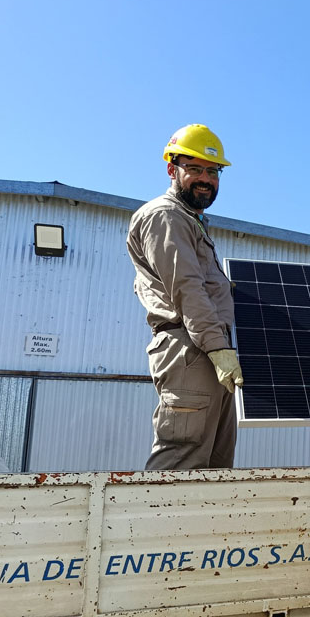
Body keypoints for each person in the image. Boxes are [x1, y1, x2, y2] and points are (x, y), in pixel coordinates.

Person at [127, 124, 244, 470]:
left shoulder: (192, 222)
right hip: (193, 352)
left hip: (210, 354)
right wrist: (218, 348)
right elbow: (187, 289)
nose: (205, 178)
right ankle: (154, 526)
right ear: (172, 169)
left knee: (215, 469)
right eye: (194, 168)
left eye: (212, 171)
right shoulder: (165, 216)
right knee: (182, 464)